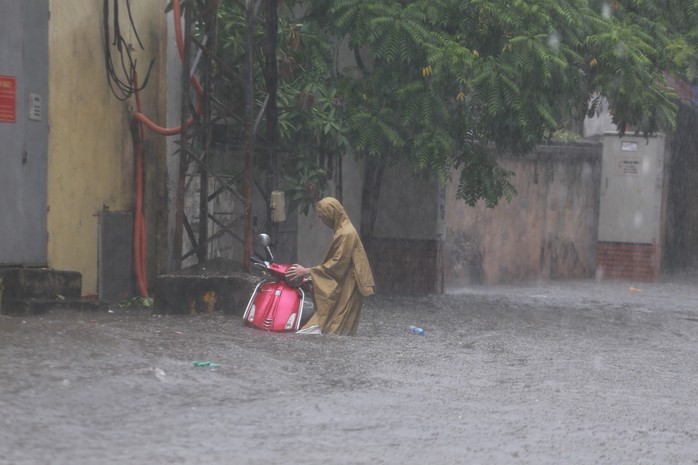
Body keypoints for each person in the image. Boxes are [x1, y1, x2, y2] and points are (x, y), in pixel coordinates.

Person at [285, 197, 375, 335]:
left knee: (333, 324)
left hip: (349, 285)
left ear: (331, 214)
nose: (323, 221)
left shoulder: (346, 233)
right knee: (335, 326)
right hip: (345, 283)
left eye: (323, 217)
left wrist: (306, 271)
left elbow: (338, 264)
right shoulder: (342, 230)